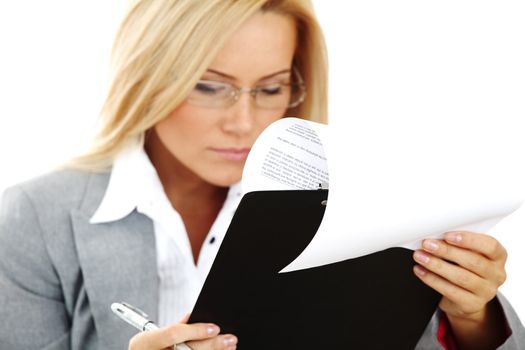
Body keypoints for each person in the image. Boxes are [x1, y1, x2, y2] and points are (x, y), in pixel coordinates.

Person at [0, 1, 523, 349]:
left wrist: (473, 319)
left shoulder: (348, 206)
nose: (244, 122)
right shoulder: (36, 217)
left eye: (271, 89)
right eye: (209, 86)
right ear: (150, 79)